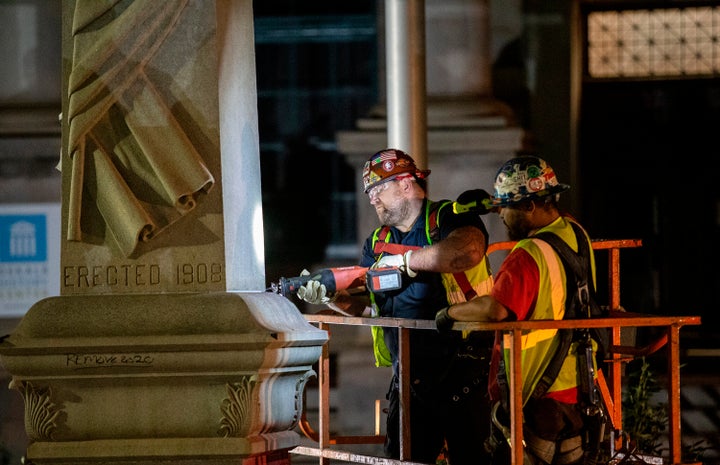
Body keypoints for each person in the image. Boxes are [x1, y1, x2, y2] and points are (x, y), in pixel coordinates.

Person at [296, 148, 494, 465]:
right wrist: (331, 297)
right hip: (410, 382)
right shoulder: (376, 242)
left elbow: (467, 251)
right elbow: (367, 308)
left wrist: (406, 261)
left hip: (467, 376)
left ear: (404, 183)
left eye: (378, 188)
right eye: (369, 192)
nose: (372, 199)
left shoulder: (446, 216)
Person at [434, 155, 599, 465]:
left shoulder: (528, 254)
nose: (502, 219)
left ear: (528, 206)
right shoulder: (577, 234)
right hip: (578, 387)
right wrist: (493, 203)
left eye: (506, 209)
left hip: (538, 392)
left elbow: (496, 310)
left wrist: (449, 314)